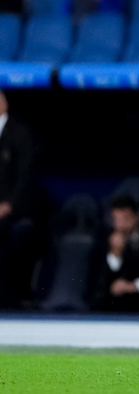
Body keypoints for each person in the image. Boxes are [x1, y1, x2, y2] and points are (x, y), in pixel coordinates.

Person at [0, 90, 36, 308]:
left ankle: (6, 299)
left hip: (12, 208)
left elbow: (25, 173)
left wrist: (8, 204)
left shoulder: (18, 132)